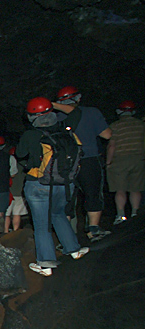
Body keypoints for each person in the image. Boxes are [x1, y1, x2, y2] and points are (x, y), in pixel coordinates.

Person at [17, 97, 89, 276]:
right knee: (58, 215)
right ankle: (73, 249)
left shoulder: (31, 134)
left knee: (41, 225)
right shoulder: (64, 127)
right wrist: (51, 105)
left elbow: (20, 153)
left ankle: (46, 264)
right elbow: (75, 111)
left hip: (39, 185)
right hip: (65, 184)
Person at [52, 85, 112, 242]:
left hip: (64, 164)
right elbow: (107, 135)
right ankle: (93, 230)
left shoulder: (54, 118)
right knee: (92, 193)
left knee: (67, 199)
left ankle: (66, 237)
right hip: (88, 159)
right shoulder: (91, 112)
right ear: (77, 98)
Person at [106, 100, 145, 224]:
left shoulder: (115, 126)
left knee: (120, 189)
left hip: (119, 160)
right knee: (135, 188)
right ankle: (135, 213)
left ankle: (121, 215)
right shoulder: (140, 125)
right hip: (137, 159)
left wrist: (108, 162)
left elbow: (112, 146)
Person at [4, 146, 28, 233]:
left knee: (6, 214)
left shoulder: (8, 164)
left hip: (9, 192)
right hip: (20, 192)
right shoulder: (26, 165)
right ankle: (15, 231)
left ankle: (5, 231)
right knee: (17, 214)